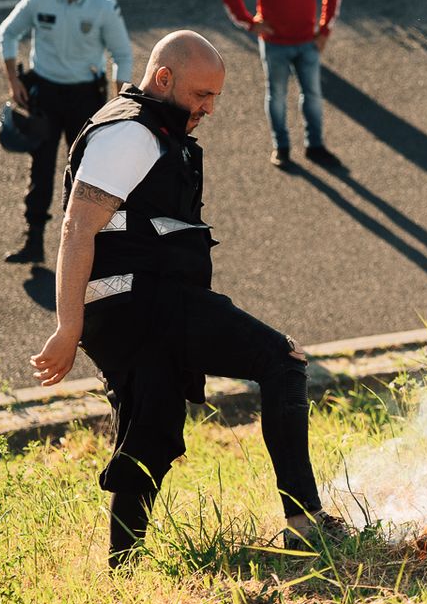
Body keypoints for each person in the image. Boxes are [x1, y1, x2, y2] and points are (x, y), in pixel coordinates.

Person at [29, 31, 349, 567]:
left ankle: (123, 565)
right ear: (164, 79)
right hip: (140, 301)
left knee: (150, 426)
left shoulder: (153, 128)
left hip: (134, 304)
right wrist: (67, 327)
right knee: (281, 359)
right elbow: (76, 228)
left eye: (216, 97)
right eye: (203, 95)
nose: (210, 108)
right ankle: (304, 521)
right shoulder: (128, 134)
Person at [0, 0, 134, 265]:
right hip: (44, 94)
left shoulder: (103, 7)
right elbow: (8, 33)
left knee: (87, 172)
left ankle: (89, 244)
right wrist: (13, 80)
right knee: (40, 168)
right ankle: (33, 241)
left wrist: (121, 99)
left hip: (85, 98)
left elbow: (123, 54)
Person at [217, 0, 343, 168]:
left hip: (308, 42)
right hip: (276, 45)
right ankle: (281, 147)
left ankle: (315, 145)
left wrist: (324, 31)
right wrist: (250, 24)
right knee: (277, 95)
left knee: (313, 95)